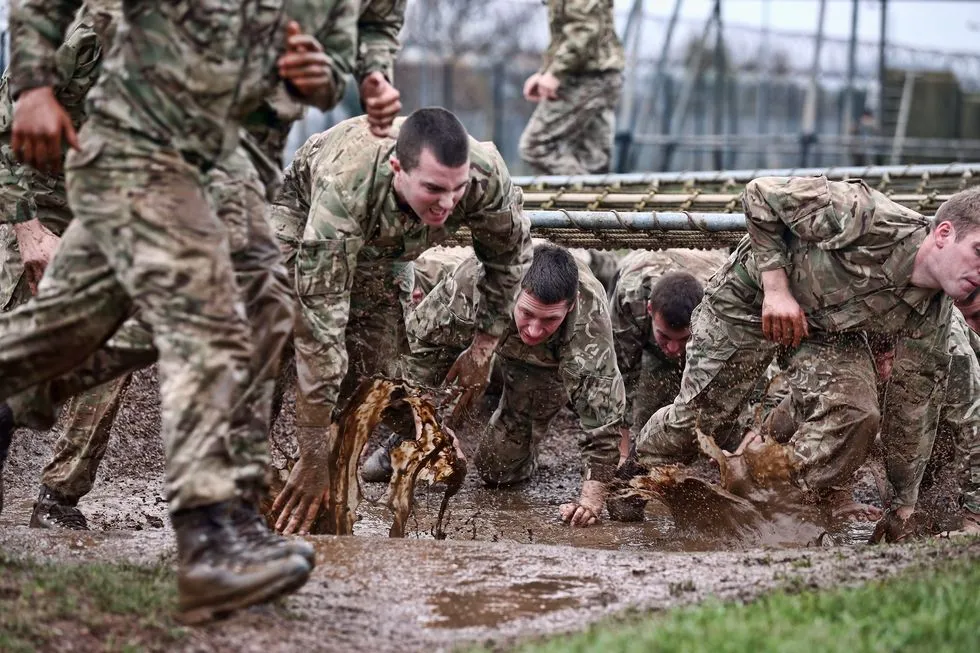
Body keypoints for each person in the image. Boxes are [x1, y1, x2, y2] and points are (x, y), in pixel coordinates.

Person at [0, 0, 343, 622]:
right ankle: (208, 534)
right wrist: (26, 223)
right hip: (57, 191)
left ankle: (223, 518)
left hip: (163, 183)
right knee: (85, 333)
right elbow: (13, 107)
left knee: (253, 308)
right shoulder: (95, 29)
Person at [635, 176, 980, 529]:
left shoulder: (931, 318)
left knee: (856, 413)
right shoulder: (868, 216)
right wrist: (776, 289)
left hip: (821, 330)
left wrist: (903, 505)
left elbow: (911, 415)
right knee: (699, 420)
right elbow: (760, 194)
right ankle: (633, 475)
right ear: (944, 234)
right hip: (749, 300)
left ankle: (771, 500)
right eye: (979, 251)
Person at [266, 108, 532, 535]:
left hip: (388, 248)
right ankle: (245, 477)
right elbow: (321, 332)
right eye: (433, 189)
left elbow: (509, 258)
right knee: (270, 339)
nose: (447, 204)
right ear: (397, 169)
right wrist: (311, 450)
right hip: (305, 220)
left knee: (375, 374)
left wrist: (484, 347)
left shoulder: (485, 176)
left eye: (457, 189)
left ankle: (328, 490)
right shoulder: (345, 188)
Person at [391, 243, 626, 527]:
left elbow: (604, 418)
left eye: (550, 319)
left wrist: (590, 501)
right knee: (394, 398)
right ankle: (401, 440)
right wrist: (428, 427)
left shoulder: (589, 320)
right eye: (528, 313)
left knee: (497, 469)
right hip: (481, 335)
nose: (535, 329)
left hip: (542, 364)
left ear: (571, 305)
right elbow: (416, 352)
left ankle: (522, 432)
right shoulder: (474, 282)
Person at [518, 0, 624, 175]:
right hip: (599, 73)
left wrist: (556, 72)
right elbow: (567, 33)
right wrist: (546, 71)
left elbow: (585, 30)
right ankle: (593, 189)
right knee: (594, 160)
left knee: (535, 147)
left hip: (586, 77)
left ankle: (582, 188)